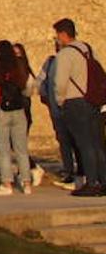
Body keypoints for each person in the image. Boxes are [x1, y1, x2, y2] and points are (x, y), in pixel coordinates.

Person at [52, 18, 106, 197]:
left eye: (57, 36)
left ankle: (91, 183)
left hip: (75, 101)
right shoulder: (87, 49)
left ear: (63, 34)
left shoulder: (65, 54)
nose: (57, 39)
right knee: (97, 143)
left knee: (84, 145)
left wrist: (60, 100)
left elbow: (60, 82)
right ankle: (103, 181)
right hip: (92, 100)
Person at [0, 40, 35, 196]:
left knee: (3, 150)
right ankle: (26, 184)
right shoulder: (18, 69)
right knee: (22, 149)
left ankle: (7, 183)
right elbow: (27, 89)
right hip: (19, 111)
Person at [37, 42, 79, 189]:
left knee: (76, 141)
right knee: (66, 141)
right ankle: (70, 171)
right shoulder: (50, 62)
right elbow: (40, 84)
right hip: (61, 110)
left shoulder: (71, 62)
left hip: (69, 108)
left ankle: (79, 173)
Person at [13, 43, 45, 187]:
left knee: (18, 145)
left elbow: (29, 91)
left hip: (22, 111)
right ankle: (23, 171)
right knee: (17, 144)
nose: (16, 57)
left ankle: (33, 168)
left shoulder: (25, 73)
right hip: (18, 110)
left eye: (18, 54)